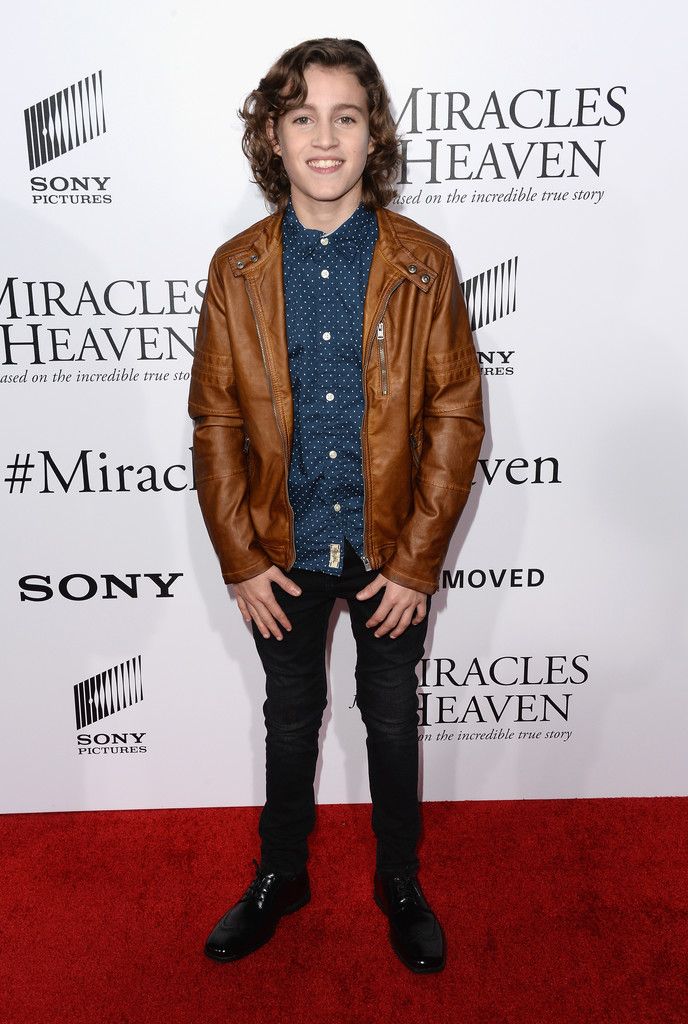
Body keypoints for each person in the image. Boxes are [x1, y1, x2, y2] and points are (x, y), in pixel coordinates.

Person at [188, 37, 484, 974]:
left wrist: (417, 565)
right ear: (273, 137)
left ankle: (400, 880)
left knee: (391, 722)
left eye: (345, 116)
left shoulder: (423, 261)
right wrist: (240, 558)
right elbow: (215, 420)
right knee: (288, 718)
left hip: (389, 553)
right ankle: (281, 874)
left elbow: (455, 417)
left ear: (372, 135)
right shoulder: (236, 268)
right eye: (303, 116)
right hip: (282, 552)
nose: (325, 137)